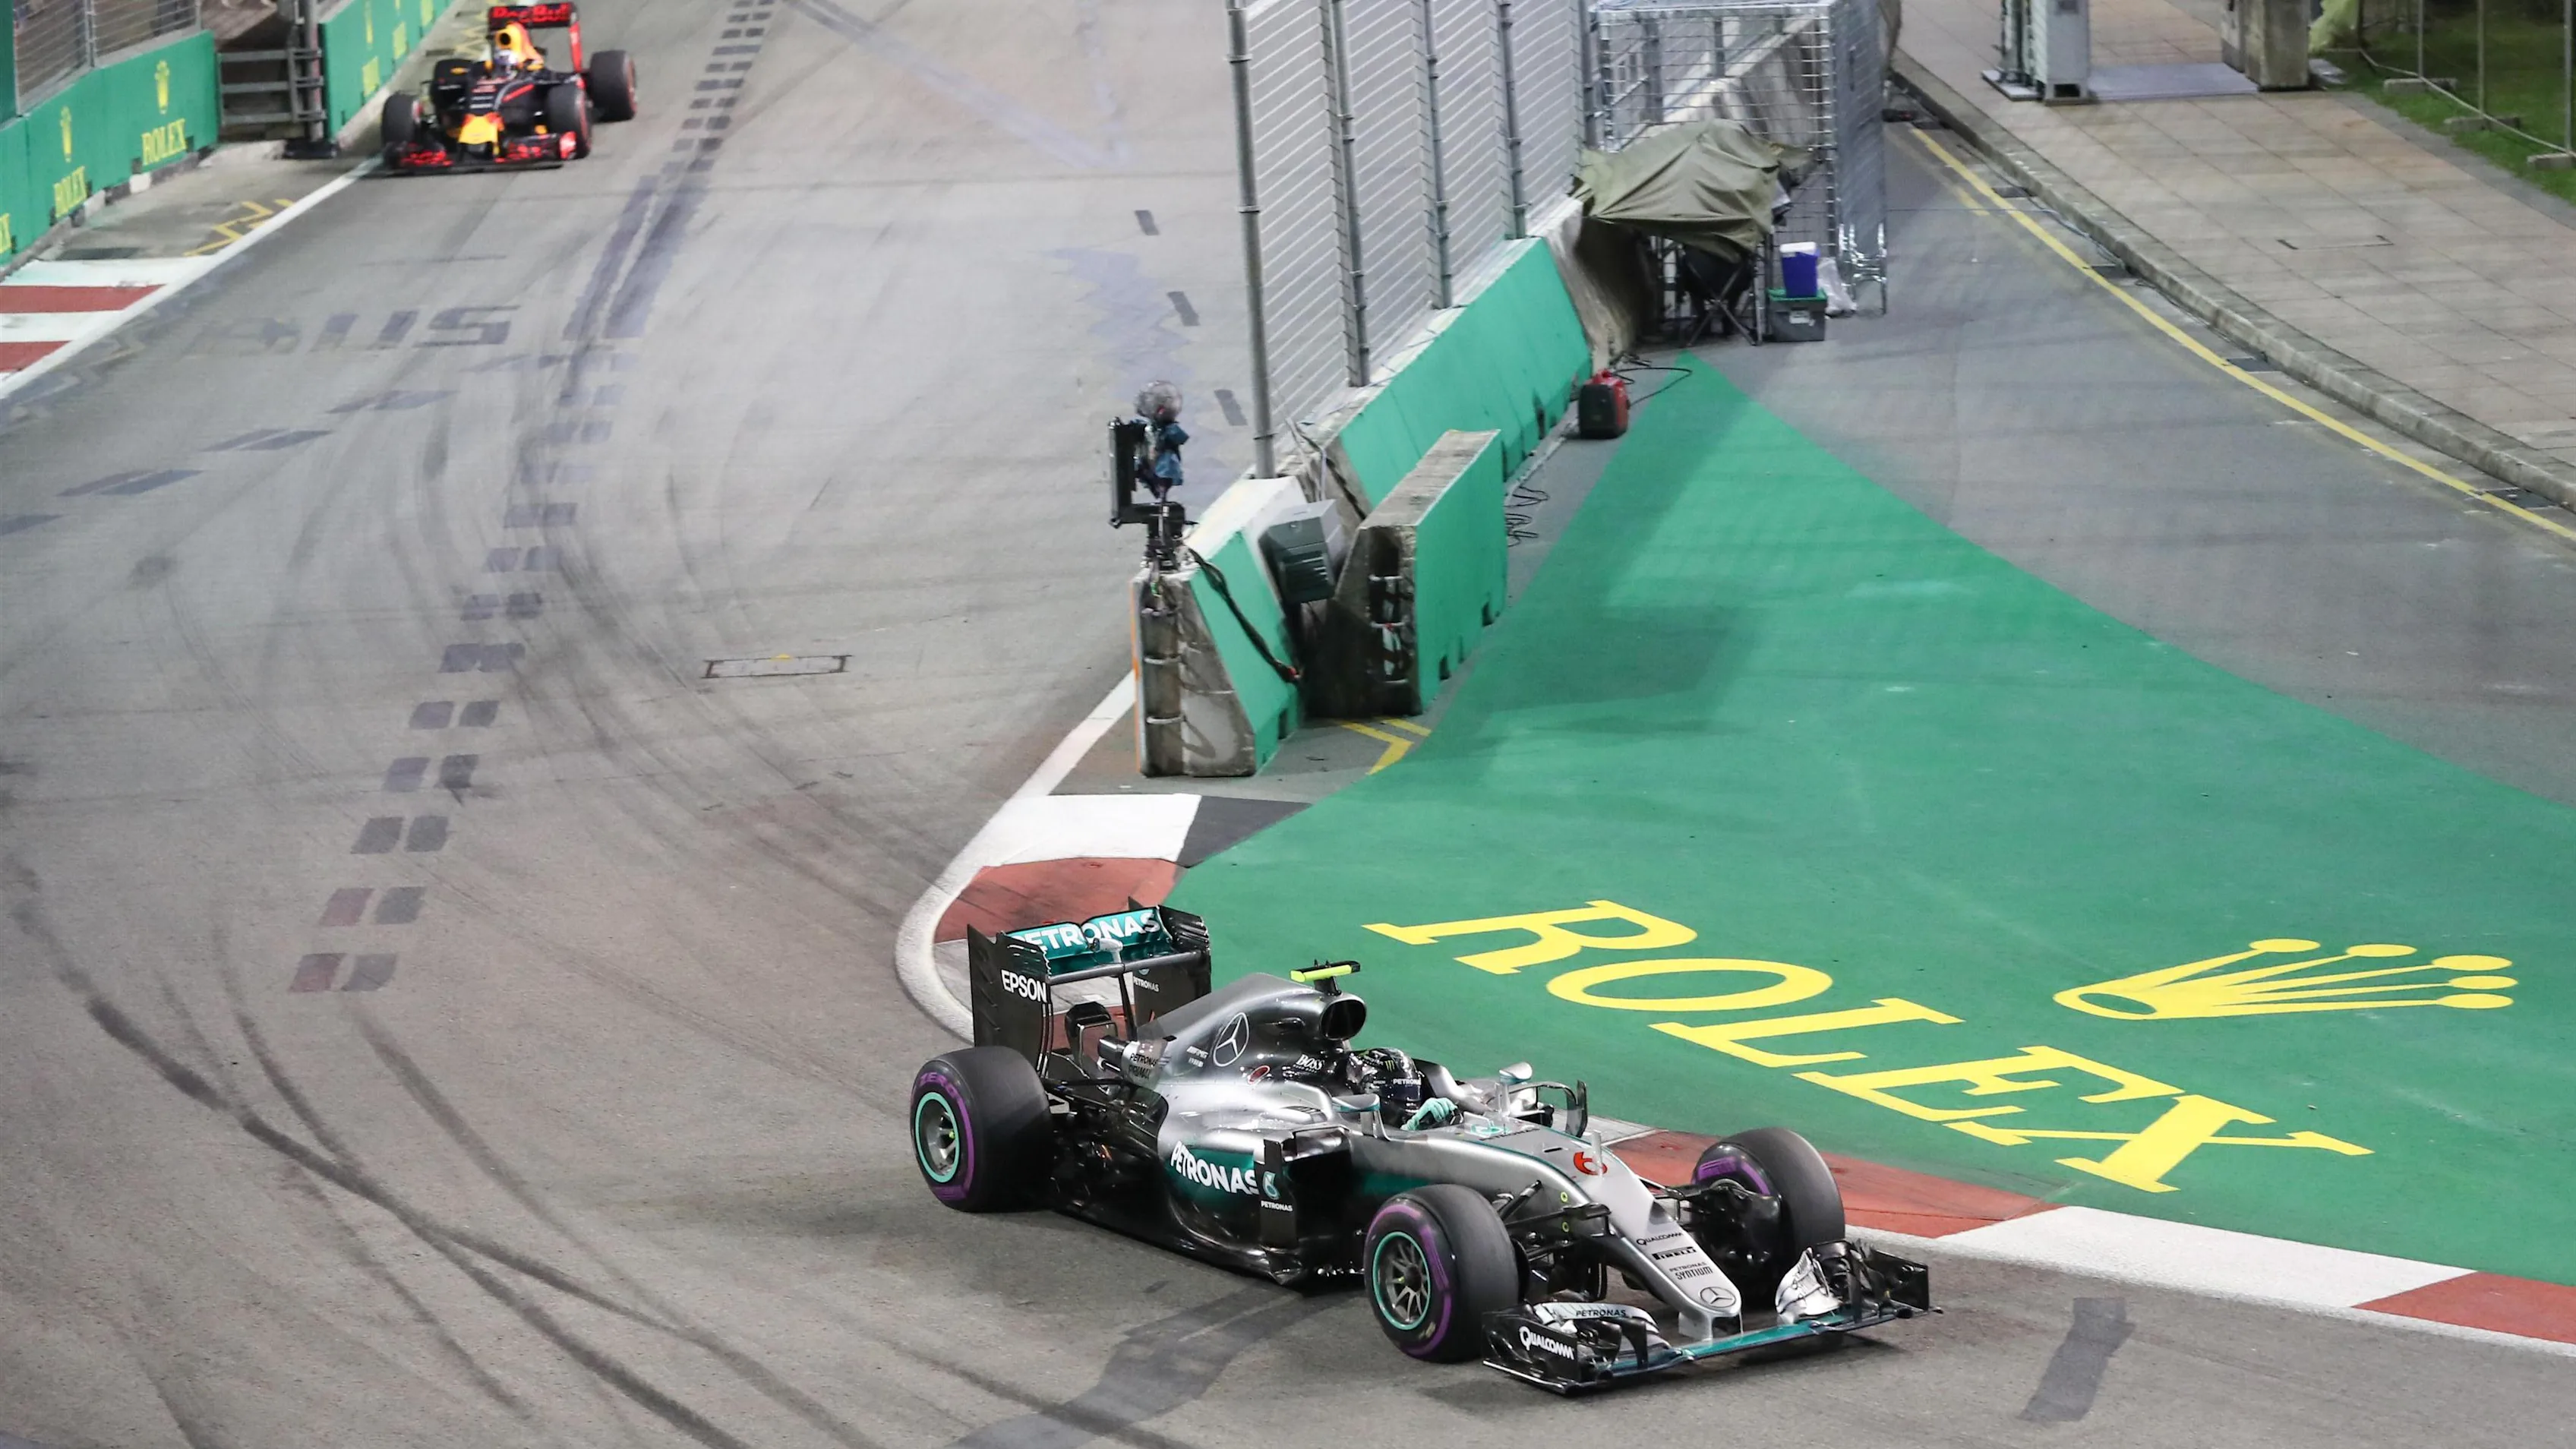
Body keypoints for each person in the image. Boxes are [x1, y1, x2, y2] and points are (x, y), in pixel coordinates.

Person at [1135, 382, 1186, 497]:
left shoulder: (1170, 430)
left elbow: (1179, 438)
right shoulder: (1150, 428)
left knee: (1164, 469)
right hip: (1151, 458)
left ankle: (1161, 491)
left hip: (1162, 461)